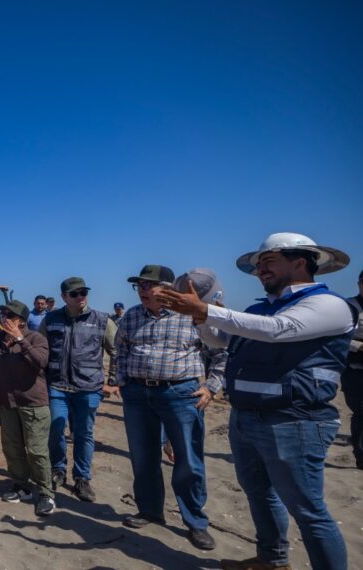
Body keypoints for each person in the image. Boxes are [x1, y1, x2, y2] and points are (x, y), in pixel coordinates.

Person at [156, 232, 354, 570]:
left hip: (294, 419)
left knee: (308, 509)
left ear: (300, 262)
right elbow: (220, 342)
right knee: (259, 493)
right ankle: (272, 561)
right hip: (246, 416)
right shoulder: (259, 308)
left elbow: (278, 329)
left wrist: (206, 310)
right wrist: (201, 318)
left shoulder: (328, 305)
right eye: (259, 264)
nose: (260, 270)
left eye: (268, 261)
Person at [114, 265, 223, 551]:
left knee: (188, 459)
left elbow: (222, 352)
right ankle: (150, 511)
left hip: (181, 394)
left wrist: (211, 387)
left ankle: (195, 522)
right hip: (138, 394)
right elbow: (120, 349)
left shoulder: (191, 314)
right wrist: (123, 379)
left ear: (168, 288)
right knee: (143, 457)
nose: (142, 290)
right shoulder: (132, 316)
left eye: (149, 285)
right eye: (139, 285)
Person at [40, 276, 117, 502]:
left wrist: (112, 381)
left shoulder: (102, 320)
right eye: (75, 294)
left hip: (88, 388)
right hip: (57, 386)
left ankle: (82, 478)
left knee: (84, 434)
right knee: (56, 429)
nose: (80, 297)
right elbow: (41, 349)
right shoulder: (51, 319)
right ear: (64, 297)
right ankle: (58, 470)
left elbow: (117, 351)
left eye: (84, 292)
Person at [0, 299, 55, 517]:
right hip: (7, 404)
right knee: (12, 447)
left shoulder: (36, 338)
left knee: (36, 450)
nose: (4, 318)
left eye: (10, 316)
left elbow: (40, 362)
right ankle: (22, 486)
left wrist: (20, 340)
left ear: (21, 321)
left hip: (33, 404)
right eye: (3, 314)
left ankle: (45, 493)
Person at [344, 268, 363, 470]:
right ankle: (360, 456)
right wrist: (359, 346)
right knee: (360, 413)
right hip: (355, 369)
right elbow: (338, 336)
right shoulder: (349, 306)